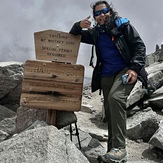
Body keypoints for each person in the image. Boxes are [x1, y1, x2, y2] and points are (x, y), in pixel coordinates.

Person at [70, 1, 147, 162]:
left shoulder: (122, 26)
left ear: (110, 12)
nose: (101, 15)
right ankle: (113, 152)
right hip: (106, 76)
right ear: (95, 17)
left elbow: (140, 47)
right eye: (97, 13)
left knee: (115, 98)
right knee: (111, 112)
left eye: (104, 11)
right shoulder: (96, 33)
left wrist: (134, 68)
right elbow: (74, 35)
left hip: (125, 71)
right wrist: (78, 24)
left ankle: (119, 148)